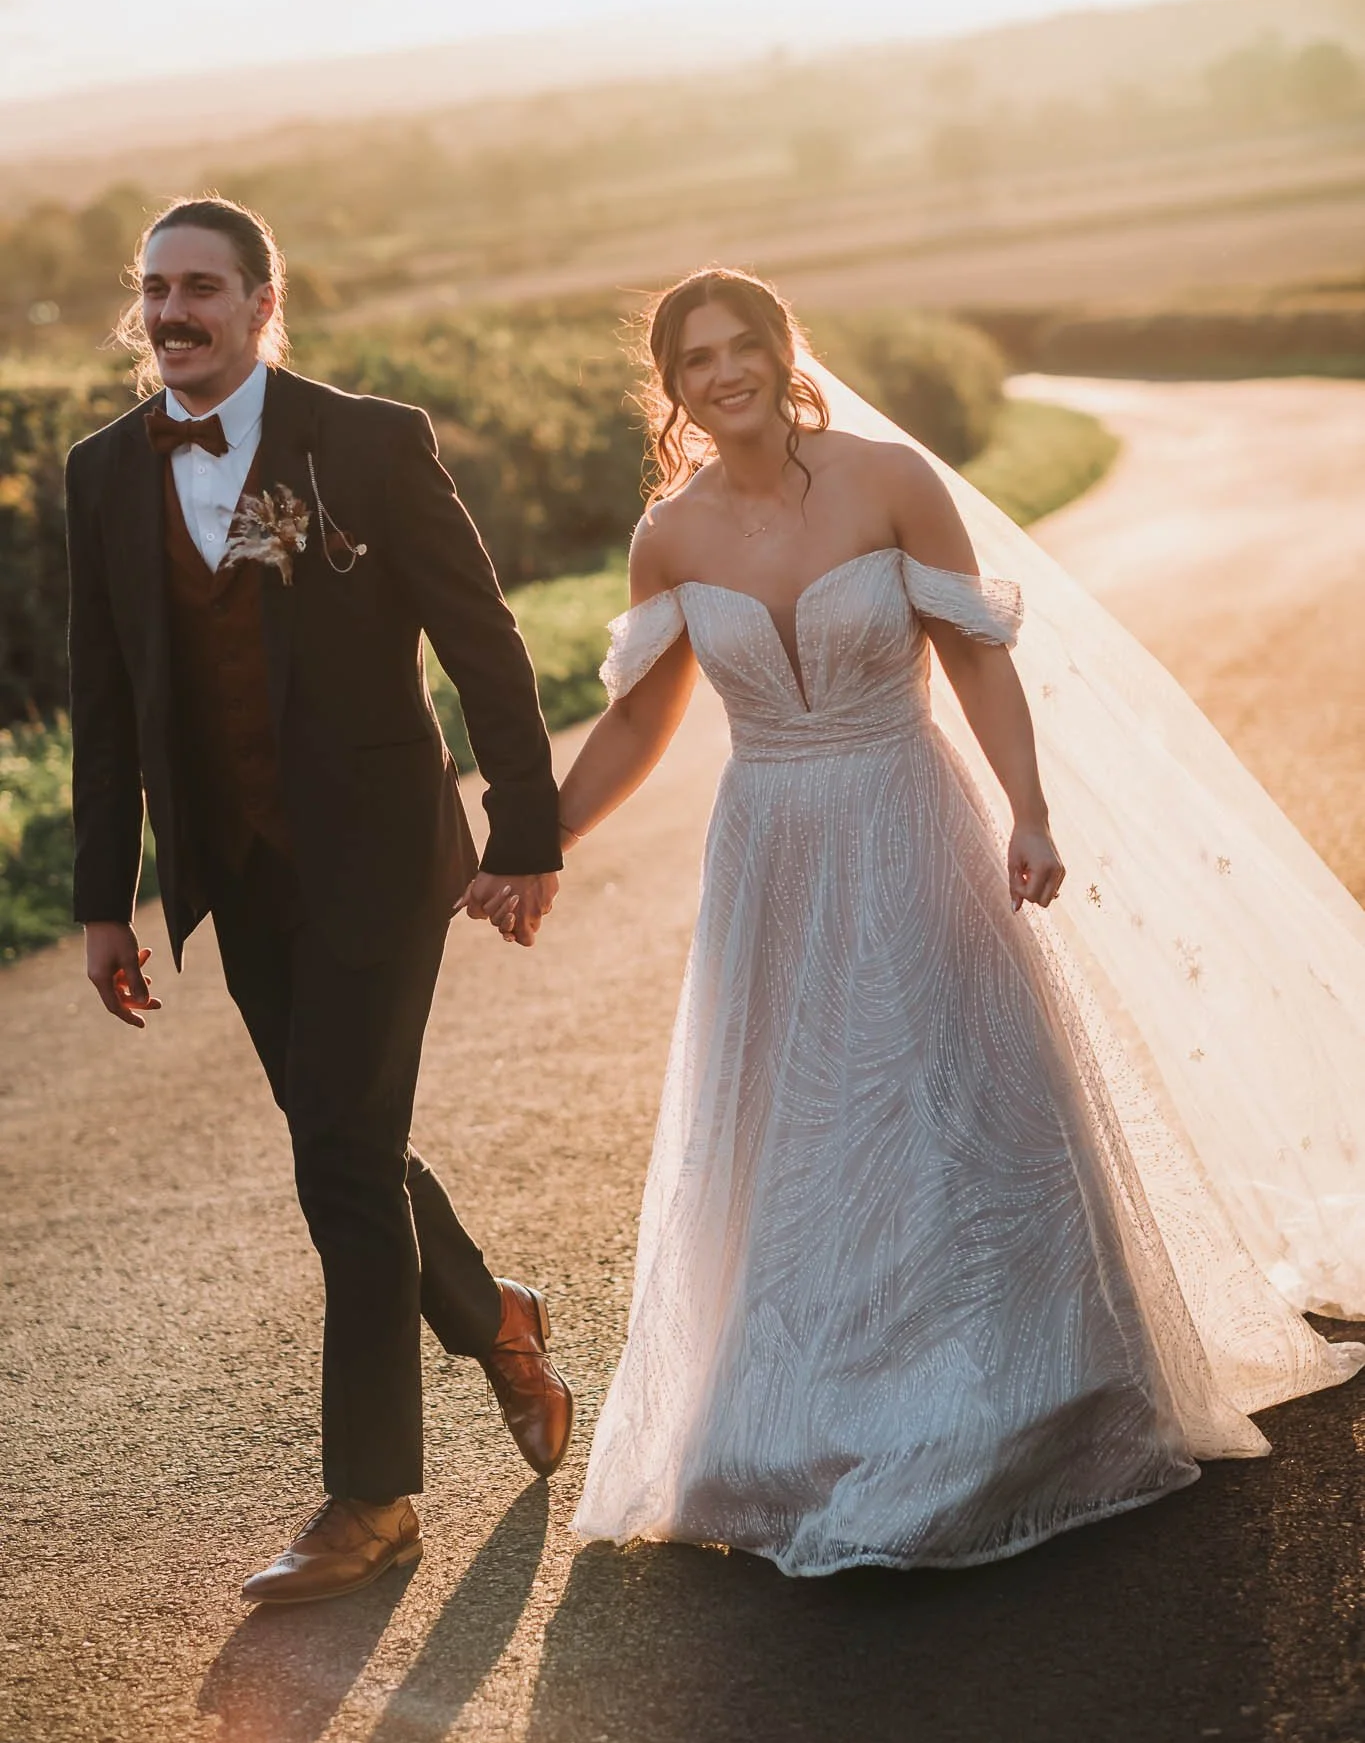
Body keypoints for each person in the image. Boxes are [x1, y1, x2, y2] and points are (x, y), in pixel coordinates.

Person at [558, 267, 1364, 1575]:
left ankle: (1029, 1398)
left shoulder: (889, 481)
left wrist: (1030, 811)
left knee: (950, 1093)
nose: (723, 375)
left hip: (903, 814)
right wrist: (531, 844)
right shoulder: (672, 537)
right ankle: (801, 1429)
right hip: (769, 855)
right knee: (801, 1120)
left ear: (779, 349)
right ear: (675, 386)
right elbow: (642, 720)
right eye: (694, 359)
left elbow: (979, 654)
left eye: (740, 346)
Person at [67, 196, 573, 1605]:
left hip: (379, 855)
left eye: (204, 288)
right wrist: (105, 896)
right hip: (241, 875)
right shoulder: (103, 471)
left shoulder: (366, 443)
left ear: (261, 301)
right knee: (344, 1139)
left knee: (336, 1161)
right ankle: (497, 1316)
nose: (174, 312)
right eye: (155, 288)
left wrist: (523, 830)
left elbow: (483, 640)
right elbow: (108, 704)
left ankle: (374, 1502)